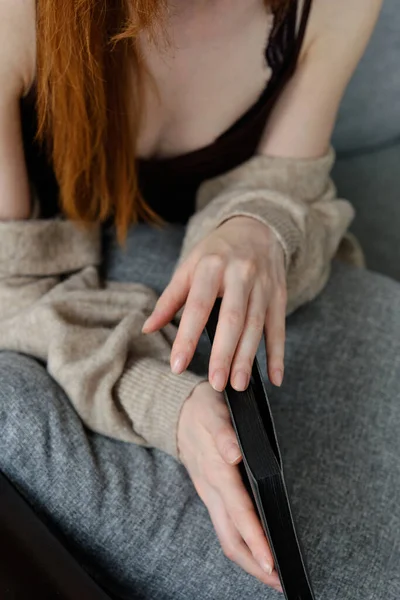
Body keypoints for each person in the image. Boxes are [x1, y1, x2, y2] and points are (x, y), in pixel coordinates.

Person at [0, 0, 399, 598]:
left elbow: (283, 179)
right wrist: (169, 403)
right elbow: (12, 288)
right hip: (54, 292)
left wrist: (256, 225)